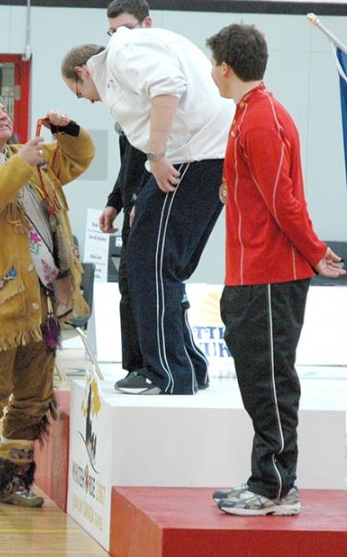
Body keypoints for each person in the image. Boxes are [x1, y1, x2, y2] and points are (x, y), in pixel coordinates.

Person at [204, 23, 346, 516]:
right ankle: (267, 480)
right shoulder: (248, 114)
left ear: (224, 66)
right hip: (248, 272)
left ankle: (276, 488)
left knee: (269, 382)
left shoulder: (263, 118)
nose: (211, 73)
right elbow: (259, 187)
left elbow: (284, 200)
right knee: (257, 380)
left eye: (212, 65)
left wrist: (314, 250)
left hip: (269, 275)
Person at [61, 26, 232, 396]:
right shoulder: (128, 62)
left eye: (80, 94)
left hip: (195, 155)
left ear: (81, 71)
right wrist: (120, 197)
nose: (88, 101)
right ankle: (187, 365)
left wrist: (157, 155)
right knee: (158, 265)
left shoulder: (122, 50)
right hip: (204, 155)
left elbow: (168, 87)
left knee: (147, 263)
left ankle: (166, 373)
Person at [0, 91, 93, 511]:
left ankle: (12, 479)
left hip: (43, 299)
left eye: (5, 111)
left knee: (35, 394)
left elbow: (77, 160)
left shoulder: (25, 156)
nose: (3, 117)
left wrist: (69, 132)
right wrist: (19, 163)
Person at [99, 0, 153, 383]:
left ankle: (155, 366)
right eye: (112, 33)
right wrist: (115, 200)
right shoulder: (125, 80)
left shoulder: (159, 77)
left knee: (149, 285)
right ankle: (137, 366)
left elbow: (163, 150)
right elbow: (130, 156)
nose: (119, 39)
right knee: (129, 285)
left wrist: (142, 200)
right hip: (135, 198)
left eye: (126, 30)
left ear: (146, 27)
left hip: (156, 198)